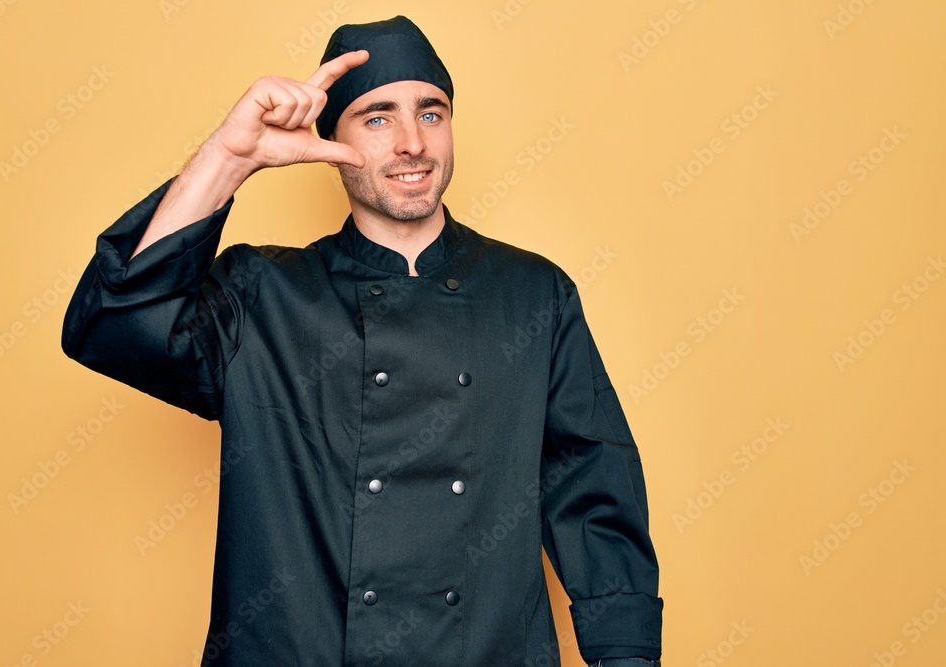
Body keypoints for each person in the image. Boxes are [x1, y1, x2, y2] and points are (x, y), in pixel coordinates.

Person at [62, 15, 662, 667]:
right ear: (330, 141)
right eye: (377, 117)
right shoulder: (262, 293)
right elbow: (115, 324)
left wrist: (624, 654)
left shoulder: (533, 293)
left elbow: (592, 484)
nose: (411, 142)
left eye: (431, 113)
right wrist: (228, 158)